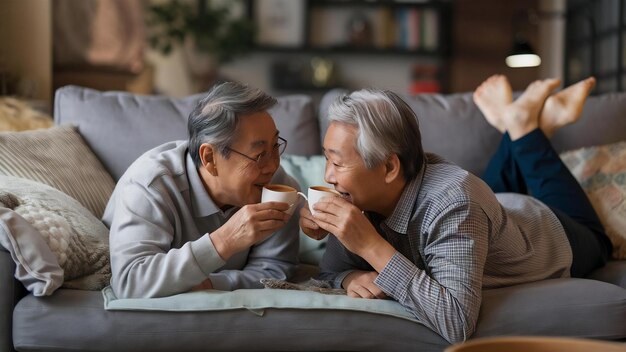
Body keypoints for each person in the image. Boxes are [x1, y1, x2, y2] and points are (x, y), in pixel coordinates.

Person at [298, 75, 612, 343]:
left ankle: (525, 129)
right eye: (327, 158)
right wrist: (350, 277)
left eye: (337, 162)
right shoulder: (363, 197)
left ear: (389, 167)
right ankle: (525, 124)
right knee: (480, 191)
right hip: (491, 211)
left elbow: (457, 322)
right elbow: (331, 271)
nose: (328, 176)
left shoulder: (454, 201)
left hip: (545, 229)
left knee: (600, 241)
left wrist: (369, 244)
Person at [104, 82, 300, 299]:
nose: (272, 166)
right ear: (210, 158)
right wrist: (224, 241)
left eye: (275, 147)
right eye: (259, 155)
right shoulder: (150, 185)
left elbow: (275, 269)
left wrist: (212, 283)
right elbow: (130, 282)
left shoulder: (277, 184)